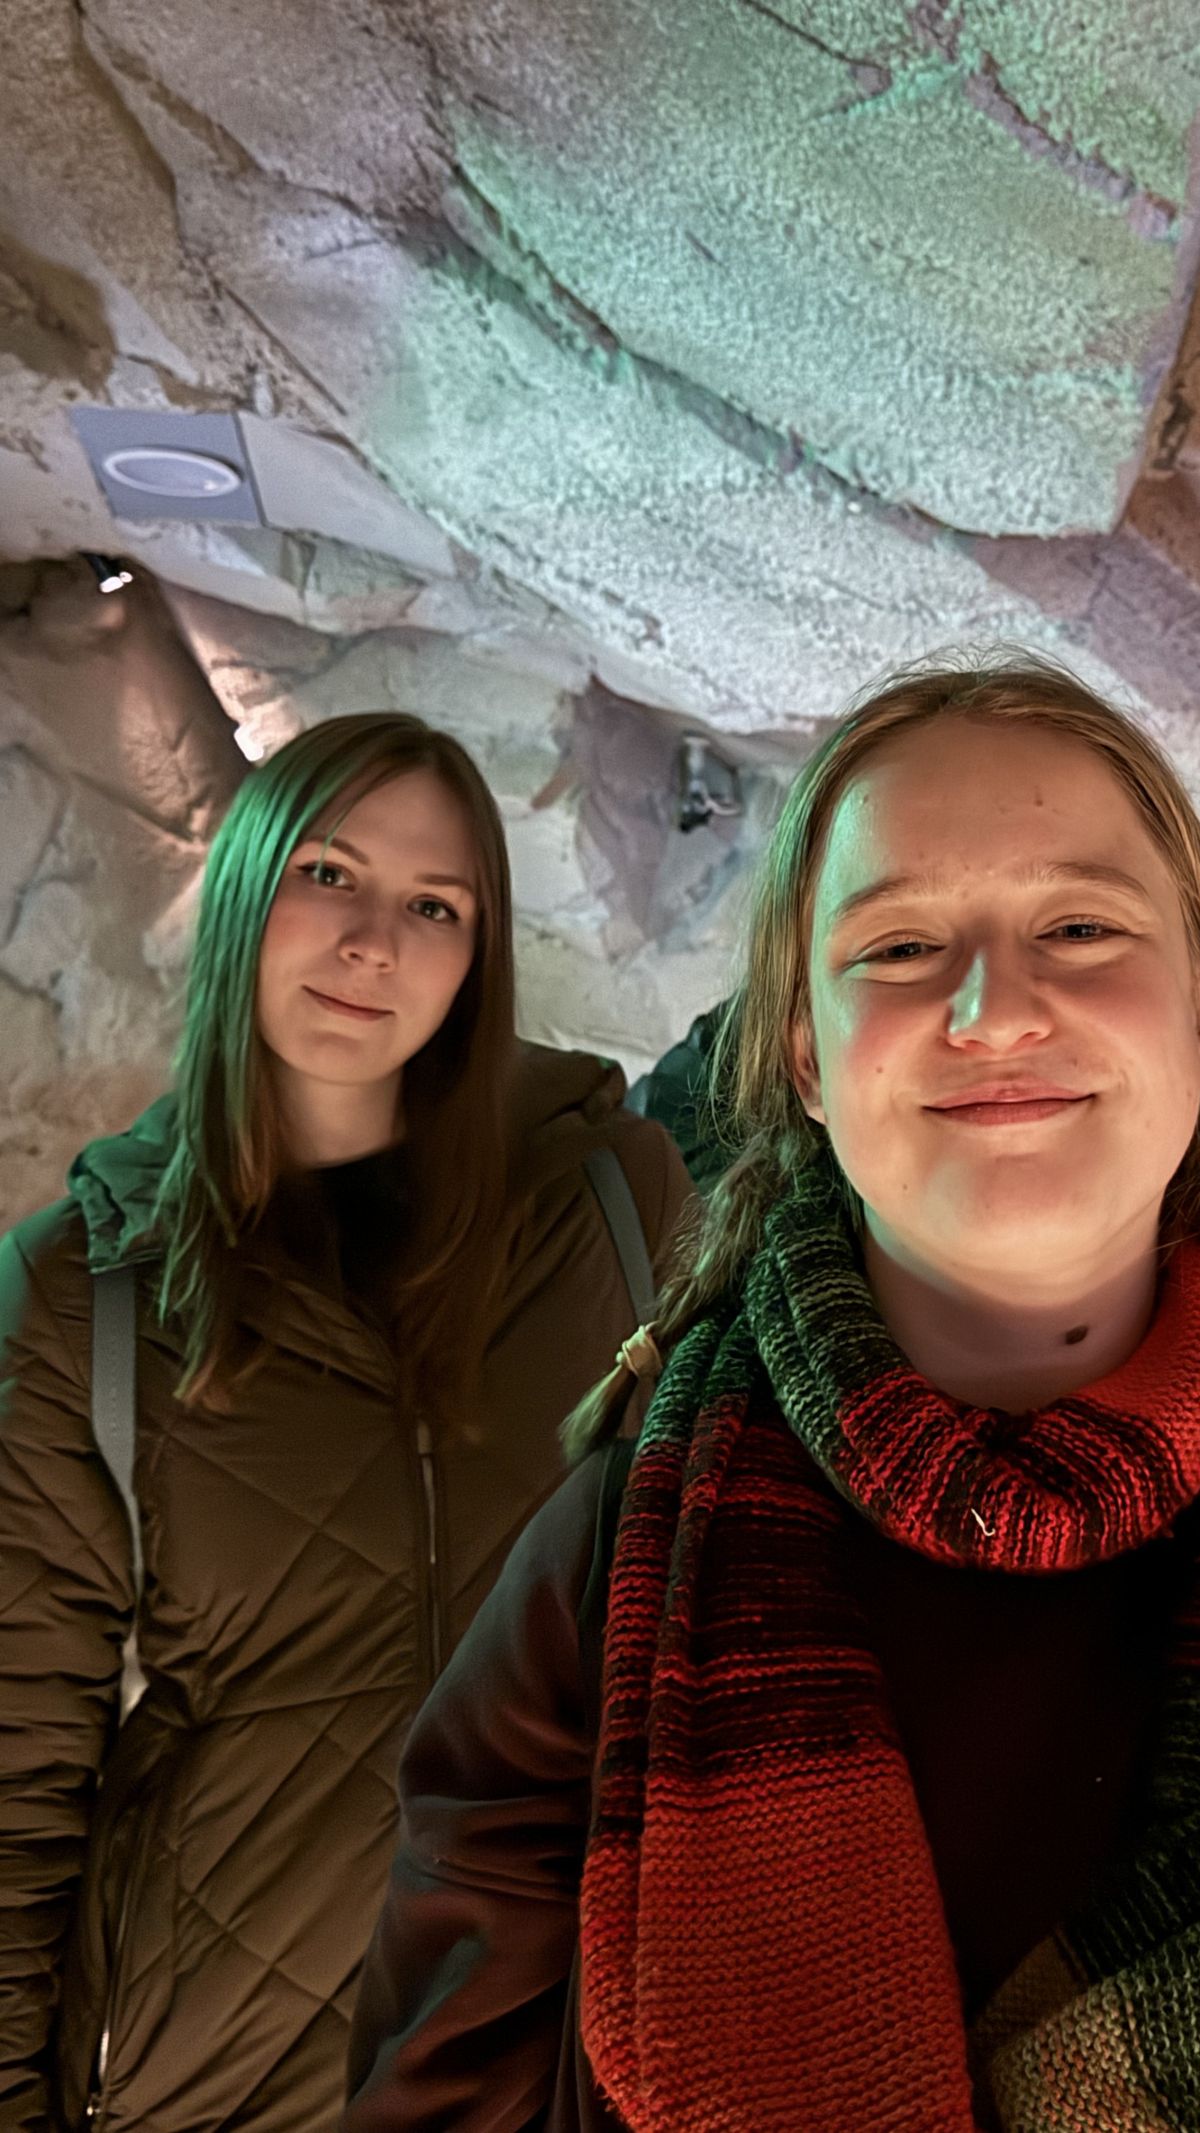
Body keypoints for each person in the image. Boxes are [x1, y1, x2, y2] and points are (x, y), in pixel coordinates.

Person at [345, 659, 1200, 2133]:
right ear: (806, 1055)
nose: (996, 1007)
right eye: (899, 947)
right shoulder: (615, 1575)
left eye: (1079, 924)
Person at [0, 712, 693, 2133]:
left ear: (479, 952)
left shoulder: (613, 1206)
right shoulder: (86, 1292)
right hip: (229, 2082)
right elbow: (14, 1777)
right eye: (330, 873)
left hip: (561, 2056)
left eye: (434, 904)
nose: (375, 939)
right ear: (249, 888)